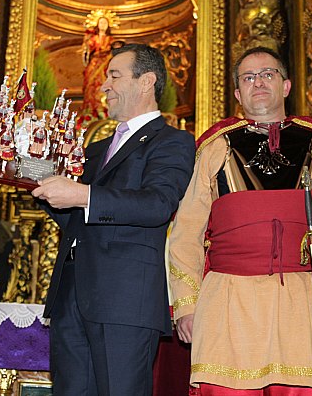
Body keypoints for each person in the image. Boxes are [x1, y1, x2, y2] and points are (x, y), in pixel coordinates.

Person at [168, 46, 312, 396]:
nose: (259, 83)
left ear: (285, 86)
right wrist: (186, 305)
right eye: (249, 78)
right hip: (228, 300)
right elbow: (185, 235)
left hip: (305, 298)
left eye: (268, 74)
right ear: (238, 93)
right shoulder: (213, 149)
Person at [31, 43, 195, 396]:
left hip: (124, 301)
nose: (103, 86)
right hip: (70, 295)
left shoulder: (172, 142)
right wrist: (26, 173)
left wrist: (82, 194)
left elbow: (157, 204)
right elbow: (76, 219)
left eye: (114, 76)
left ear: (146, 81)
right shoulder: (95, 149)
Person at [81, 12, 123, 120]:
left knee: (104, 85)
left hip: (106, 65)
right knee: (91, 86)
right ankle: (90, 110)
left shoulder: (111, 40)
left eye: (105, 22)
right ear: (97, 24)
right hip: (94, 64)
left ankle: (103, 108)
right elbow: (86, 52)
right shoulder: (92, 39)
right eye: (101, 22)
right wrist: (86, 42)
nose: (103, 24)